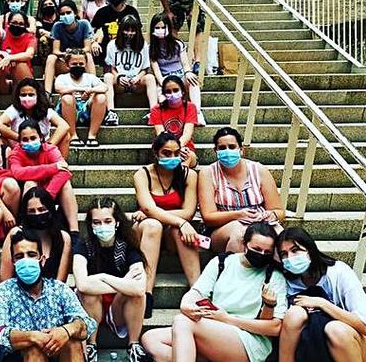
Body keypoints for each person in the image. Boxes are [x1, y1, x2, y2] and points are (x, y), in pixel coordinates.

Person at [141, 223, 287, 362]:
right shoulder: (222, 262)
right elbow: (196, 292)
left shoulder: (274, 276)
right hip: (214, 330)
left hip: (248, 339)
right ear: (244, 245)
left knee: (182, 322)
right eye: (256, 249)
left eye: (267, 252)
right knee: (150, 338)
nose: (261, 254)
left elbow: (275, 327)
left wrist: (228, 319)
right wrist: (186, 304)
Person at [276, 227, 366, 362]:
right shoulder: (287, 282)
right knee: (294, 314)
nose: (290, 258)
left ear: (310, 249)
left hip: (356, 343)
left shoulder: (339, 272)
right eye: (284, 254)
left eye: (295, 250)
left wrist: (322, 303)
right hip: (311, 345)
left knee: (335, 329)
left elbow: (365, 327)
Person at [0, 229, 94, 362]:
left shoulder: (58, 289)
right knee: (33, 349)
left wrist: (66, 330)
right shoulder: (3, 291)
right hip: (19, 357)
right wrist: (32, 337)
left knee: (73, 344)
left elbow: (86, 324)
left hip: (57, 354)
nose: (26, 261)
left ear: (42, 259)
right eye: (19, 257)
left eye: (31, 254)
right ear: (13, 262)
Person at [132, 132, 201, 319]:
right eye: (166, 153)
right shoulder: (142, 174)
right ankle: (146, 294)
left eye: (176, 153)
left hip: (171, 233)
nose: (172, 158)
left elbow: (188, 211)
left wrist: (179, 222)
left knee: (179, 229)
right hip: (145, 230)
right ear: (155, 153)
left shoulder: (189, 175)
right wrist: (179, 220)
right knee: (154, 225)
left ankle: (198, 291)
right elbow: (147, 207)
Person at [73, 199, 150, 362]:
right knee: (88, 294)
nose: (102, 226)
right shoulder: (83, 246)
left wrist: (103, 278)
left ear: (117, 223)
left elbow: (139, 288)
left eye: (107, 221)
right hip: (91, 306)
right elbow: (82, 284)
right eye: (97, 222)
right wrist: (124, 283)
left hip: (118, 307)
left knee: (138, 296)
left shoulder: (128, 246)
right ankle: (91, 344)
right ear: (91, 225)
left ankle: (133, 344)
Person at [198, 127, 285, 252]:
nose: (227, 151)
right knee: (239, 233)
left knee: (279, 234)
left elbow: (279, 211)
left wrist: (270, 215)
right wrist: (239, 215)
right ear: (215, 151)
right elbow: (208, 217)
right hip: (222, 229)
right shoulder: (208, 173)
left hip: (260, 224)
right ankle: (236, 270)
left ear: (241, 150)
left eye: (232, 147)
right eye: (222, 148)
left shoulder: (259, 170)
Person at [9, 120, 79, 233]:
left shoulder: (50, 149)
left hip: (50, 190)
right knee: (30, 182)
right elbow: (18, 172)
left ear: (41, 137)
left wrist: (47, 197)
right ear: (19, 142)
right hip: (27, 195)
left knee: (66, 184)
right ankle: (26, 225)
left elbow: (65, 171)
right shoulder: (15, 153)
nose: (29, 142)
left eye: (33, 138)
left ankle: (74, 231)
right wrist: (52, 168)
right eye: (25, 139)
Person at [0, 187, 72, 283]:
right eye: (32, 211)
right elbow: (5, 279)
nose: (37, 214)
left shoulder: (63, 238)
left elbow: (61, 282)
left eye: (41, 209)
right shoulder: (15, 234)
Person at [149, 12, 204, 126]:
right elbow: (156, 71)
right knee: (161, 95)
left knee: (193, 81)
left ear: (168, 28)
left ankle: (197, 112)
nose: (160, 30)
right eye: (157, 28)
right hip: (165, 79)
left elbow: (185, 64)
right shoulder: (151, 48)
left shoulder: (178, 44)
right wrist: (165, 83)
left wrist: (188, 72)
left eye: (163, 27)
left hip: (180, 76)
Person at [0, 78, 71, 158]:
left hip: (42, 148)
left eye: (31, 95)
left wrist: (48, 145)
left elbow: (64, 126)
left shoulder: (45, 110)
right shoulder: (14, 109)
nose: (27, 97)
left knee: (66, 136)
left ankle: (61, 165)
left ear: (38, 95)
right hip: (20, 148)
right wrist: (19, 137)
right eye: (23, 95)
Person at [104, 15, 158, 115]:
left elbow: (145, 69)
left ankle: (154, 112)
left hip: (136, 83)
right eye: (126, 30)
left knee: (150, 78)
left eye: (133, 30)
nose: (129, 33)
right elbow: (111, 68)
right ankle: (111, 112)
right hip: (120, 83)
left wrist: (138, 77)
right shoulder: (112, 45)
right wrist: (119, 77)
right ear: (121, 30)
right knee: (107, 77)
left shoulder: (144, 46)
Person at [54, 50, 108, 147]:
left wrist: (90, 91)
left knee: (101, 97)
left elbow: (104, 87)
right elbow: (59, 88)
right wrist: (82, 89)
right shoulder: (62, 78)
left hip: (87, 110)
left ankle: (92, 136)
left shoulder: (90, 77)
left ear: (85, 65)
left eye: (81, 63)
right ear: (67, 65)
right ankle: (73, 135)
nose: (78, 66)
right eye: (74, 64)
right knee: (67, 97)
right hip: (68, 110)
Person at [0, 10, 36, 109]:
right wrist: (3, 53)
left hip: (22, 77)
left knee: (20, 64)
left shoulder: (30, 37)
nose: (17, 26)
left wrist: (10, 58)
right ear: (8, 24)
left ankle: (24, 102)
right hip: (3, 80)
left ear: (25, 25)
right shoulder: (1, 33)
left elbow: (29, 55)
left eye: (21, 24)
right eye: (14, 23)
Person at [44, 0, 95, 95]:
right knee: (51, 57)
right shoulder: (57, 26)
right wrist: (65, 54)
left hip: (80, 61)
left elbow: (87, 48)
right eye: (62, 14)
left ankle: (93, 90)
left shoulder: (84, 24)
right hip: (65, 62)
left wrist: (74, 53)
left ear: (75, 13)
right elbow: (55, 51)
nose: (65, 16)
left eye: (68, 12)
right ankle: (47, 93)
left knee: (88, 55)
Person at [149, 75, 199, 168]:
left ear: (183, 91)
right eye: (168, 91)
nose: (172, 94)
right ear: (163, 94)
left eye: (176, 90)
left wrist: (178, 149)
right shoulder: (156, 109)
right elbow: (161, 134)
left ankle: (182, 178)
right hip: (164, 148)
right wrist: (171, 150)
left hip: (185, 147)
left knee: (187, 157)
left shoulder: (190, 107)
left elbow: (187, 134)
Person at [90, 0, 142, 65]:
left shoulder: (132, 11)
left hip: (127, 46)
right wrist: (94, 42)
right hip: (105, 48)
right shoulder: (101, 12)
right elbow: (94, 30)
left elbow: (138, 31)